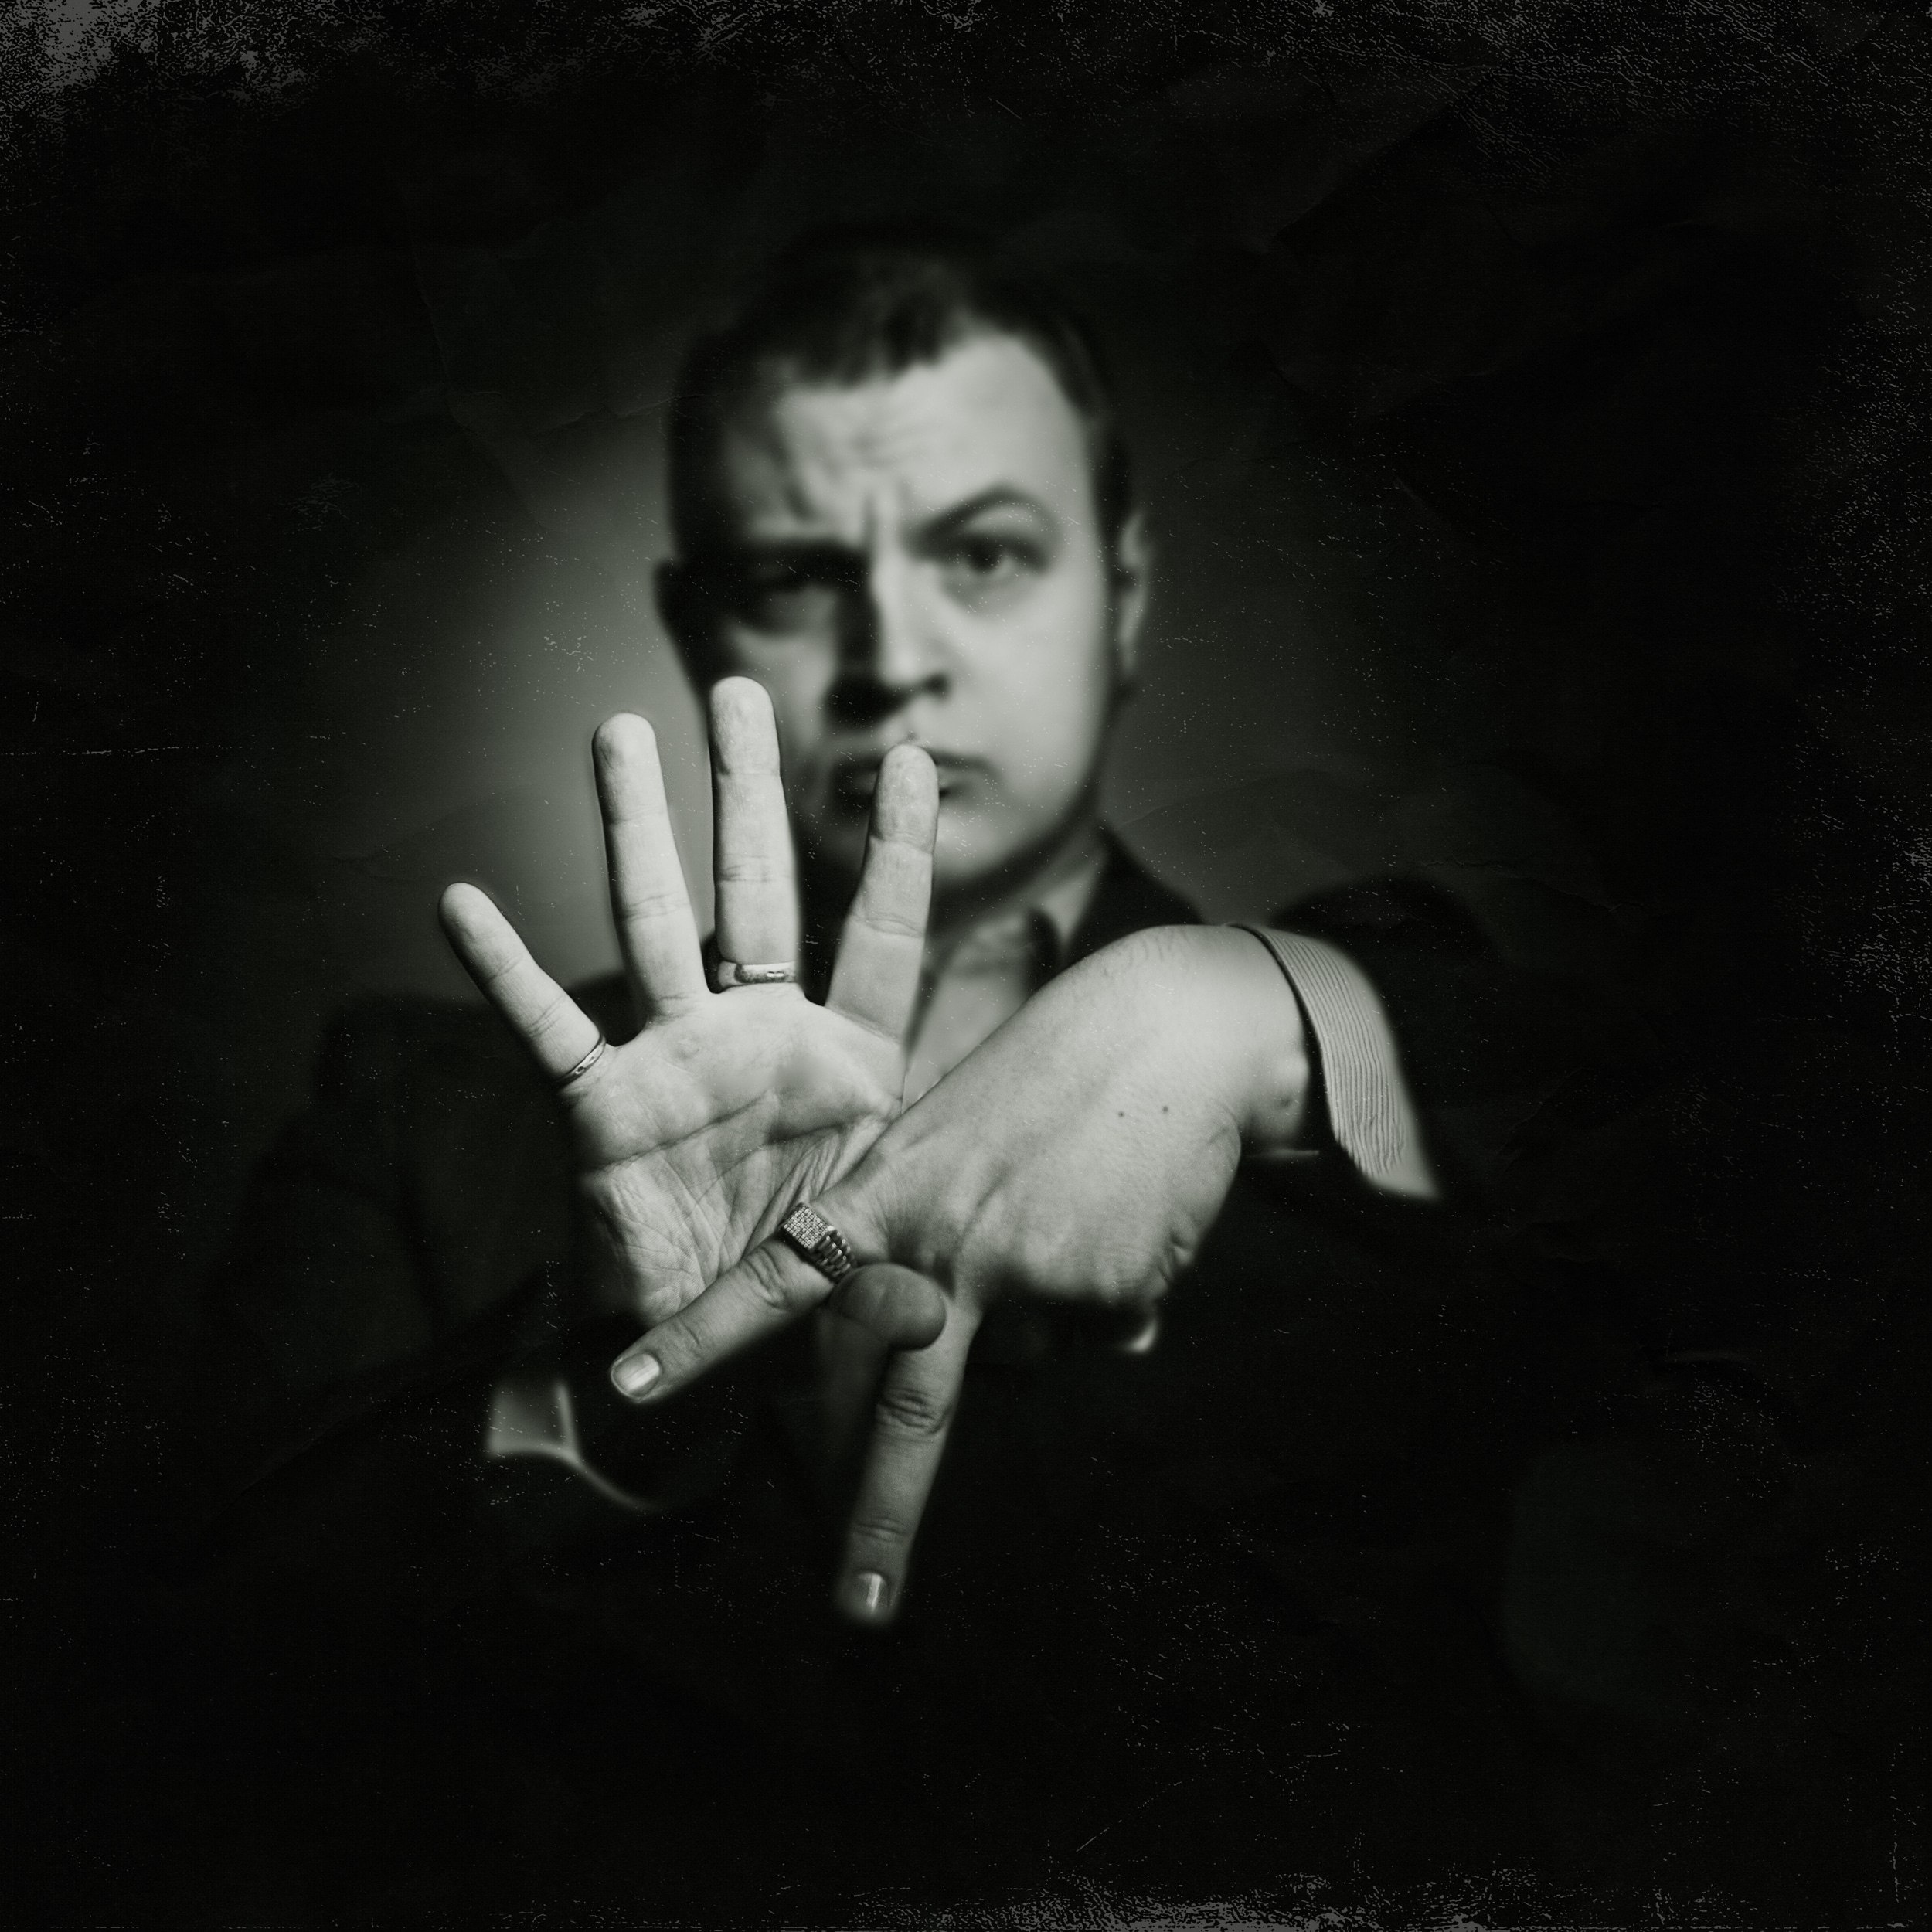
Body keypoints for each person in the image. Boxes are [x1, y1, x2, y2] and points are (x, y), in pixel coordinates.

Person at [176, 232, 1632, 1910]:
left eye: (986, 553)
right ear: (693, 626)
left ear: (1125, 597)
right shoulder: (416, 1104)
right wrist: (594, 1381)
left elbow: (1737, 1189)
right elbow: (173, 1692)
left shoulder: (1393, 1030)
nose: (893, 654)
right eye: (795, 578)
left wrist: (1259, 1012)